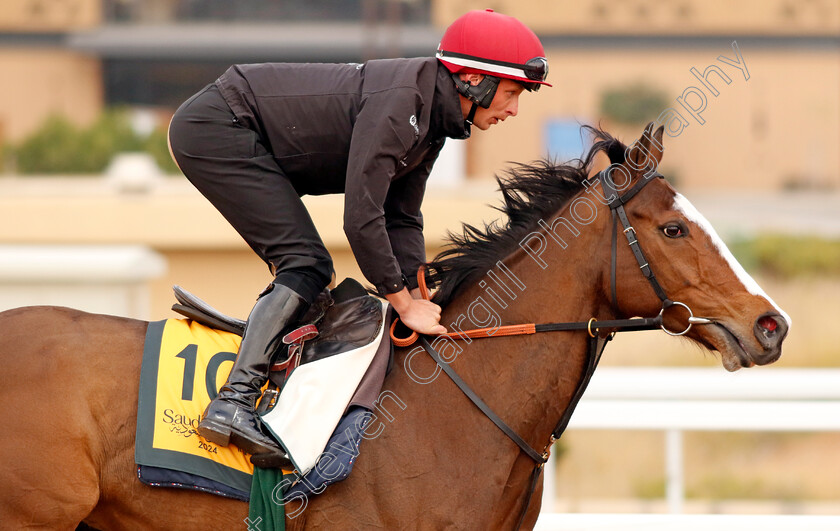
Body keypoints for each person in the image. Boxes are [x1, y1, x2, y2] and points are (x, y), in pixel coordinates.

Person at [167, 9, 550, 463]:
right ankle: (235, 400)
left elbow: (401, 216)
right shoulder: (403, 101)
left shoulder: (432, 122)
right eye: (510, 93)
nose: (514, 109)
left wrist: (420, 287)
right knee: (306, 264)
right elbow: (361, 216)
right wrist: (404, 304)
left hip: (238, 127)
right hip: (217, 126)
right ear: (471, 79)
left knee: (312, 272)